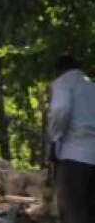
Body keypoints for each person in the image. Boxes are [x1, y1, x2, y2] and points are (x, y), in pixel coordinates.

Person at [47, 54, 95, 223]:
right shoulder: (91, 86)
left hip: (75, 155)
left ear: (59, 71)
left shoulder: (64, 82)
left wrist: (54, 137)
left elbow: (61, 109)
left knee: (73, 210)